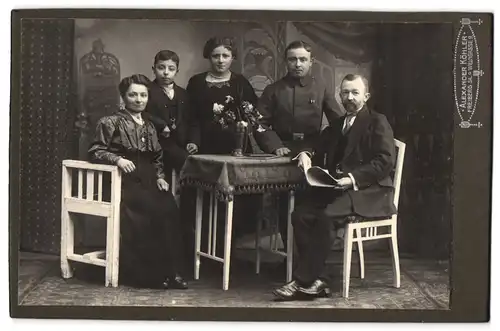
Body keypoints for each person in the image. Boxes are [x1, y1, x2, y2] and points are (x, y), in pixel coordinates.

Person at [272, 74, 397, 300]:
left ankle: (302, 280)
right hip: (340, 190)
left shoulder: (378, 121)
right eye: (345, 93)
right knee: (300, 214)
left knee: (326, 216)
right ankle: (319, 279)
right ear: (339, 96)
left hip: (369, 191)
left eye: (355, 93)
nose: (349, 98)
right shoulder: (337, 124)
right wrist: (305, 153)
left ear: (366, 96)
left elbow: (385, 161)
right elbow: (316, 145)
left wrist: (352, 178)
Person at [88, 74, 188, 290]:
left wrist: (160, 177)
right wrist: (118, 159)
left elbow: (157, 157)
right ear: (123, 97)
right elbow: (96, 151)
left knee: (169, 209)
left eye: (143, 95)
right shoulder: (110, 122)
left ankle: (170, 273)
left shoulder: (150, 125)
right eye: (133, 95)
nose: (138, 99)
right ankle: (147, 275)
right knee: (147, 212)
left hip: (149, 178)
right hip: (122, 180)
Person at [255, 40, 342, 261]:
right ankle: (291, 258)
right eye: (293, 59)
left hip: (313, 153)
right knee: (286, 205)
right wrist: (276, 146)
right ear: (286, 61)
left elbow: (338, 124)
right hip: (284, 153)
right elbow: (259, 123)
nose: (298, 64)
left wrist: (318, 148)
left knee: (310, 205)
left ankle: (310, 259)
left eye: (303, 59)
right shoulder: (273, 90)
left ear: (311, 62)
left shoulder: (321, 88)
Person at [186, 36, 262, 256]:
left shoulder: (241, 84)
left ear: (232, 58)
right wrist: (192, 141)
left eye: (225, 56)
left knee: (233, 202)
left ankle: (229, 252)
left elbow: (251, 116)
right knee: (205, 199)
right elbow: (192, 118)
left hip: (234, 147)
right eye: (216, 56)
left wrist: (243, 128)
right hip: (205, 147)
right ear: (208, 57)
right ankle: (204, 249)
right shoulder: (196, 83)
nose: (220, 60)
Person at [143, 50, 198, 266]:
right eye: (161, 68)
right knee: (160, 197)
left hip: (181, 147)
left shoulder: (184, 95)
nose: (165, 73)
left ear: (177, 70)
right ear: (154, 68)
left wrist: (194, 141)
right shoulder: (146, 92)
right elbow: (139, 113)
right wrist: (160, 124)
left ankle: (186, 249)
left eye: (171, 69)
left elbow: (194, 122)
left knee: (189, 184)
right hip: (157, 148)